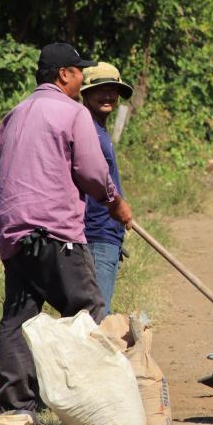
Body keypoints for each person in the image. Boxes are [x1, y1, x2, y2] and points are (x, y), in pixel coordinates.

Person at [0, 43, 133, 421]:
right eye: (78, 70)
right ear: (64, 74)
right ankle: (92, 402)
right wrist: (114, 201)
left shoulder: (13, 114)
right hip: (55, 231)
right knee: (89, 311)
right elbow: (91, 172)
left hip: (13, 233)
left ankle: (18, 405)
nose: (82, 77)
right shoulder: (73, 113)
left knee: (18, 319)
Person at [80, 62, 134, 316]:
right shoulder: (86, 131)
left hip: (107, 234)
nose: (108, 95)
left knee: (96, 311)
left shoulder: (99, 130)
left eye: (113, 90)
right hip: (95, 235)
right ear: (85, 93)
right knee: (96, 315)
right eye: (101, 89)